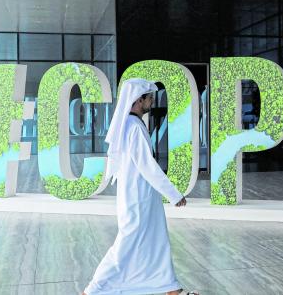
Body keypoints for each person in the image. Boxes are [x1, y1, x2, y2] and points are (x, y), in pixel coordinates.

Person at [83, 78, 198, 295]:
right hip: (137, 197)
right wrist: (173, 194)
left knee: (156, 241)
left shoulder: (131, 124)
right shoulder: (134, 127)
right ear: (138, 99)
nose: (152, 102)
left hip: (142, 195)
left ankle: (170, 288)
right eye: (149, 98)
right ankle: (92, 290)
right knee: (126, 244)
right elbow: (147, 166)